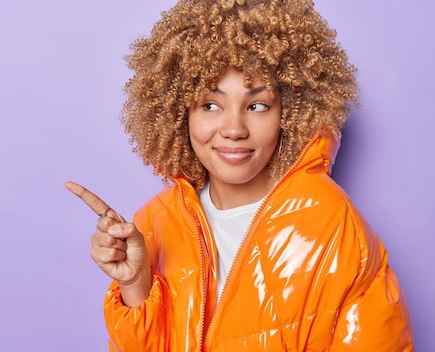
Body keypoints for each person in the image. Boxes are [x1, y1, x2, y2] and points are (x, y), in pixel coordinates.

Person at [66, 0, 414, 350]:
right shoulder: (153, 221)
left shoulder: (335, 226)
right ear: (178, 114)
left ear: (290, 115)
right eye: (211, 105)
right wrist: (136, 288)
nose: (234, 129)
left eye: (257, 106)